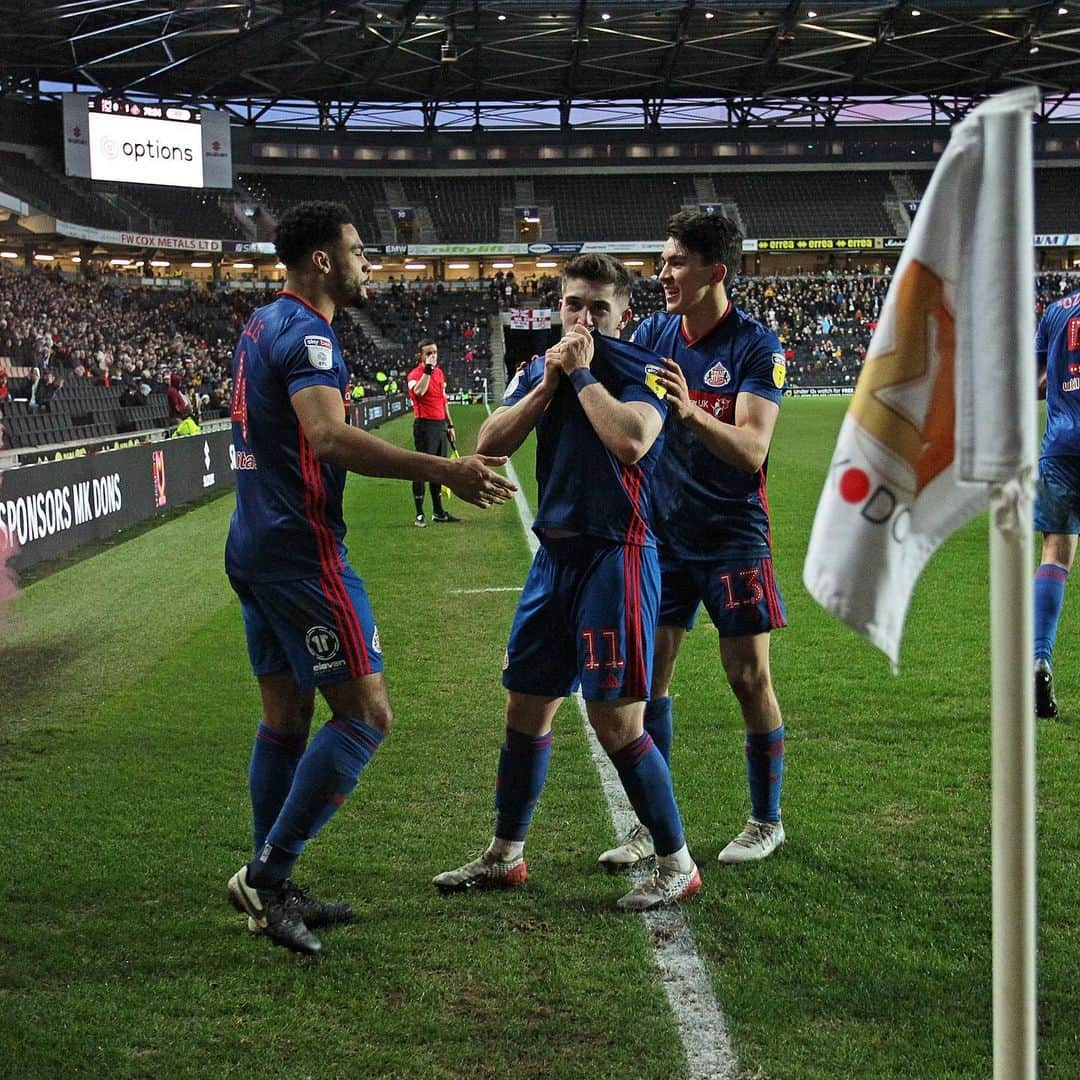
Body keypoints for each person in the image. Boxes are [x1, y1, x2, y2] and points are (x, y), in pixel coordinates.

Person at [224, 201, 516, 955]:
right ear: (321, 260)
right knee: (365, 715)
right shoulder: (309, 335)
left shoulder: (262, 322)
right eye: (357, 251)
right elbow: (326, 437)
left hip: (252, 542)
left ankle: (269, 880)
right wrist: (445, 468)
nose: (367, 264)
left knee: (285, 720)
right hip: (300, 549)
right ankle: (269, 874)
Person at [433, 253, 701, 911]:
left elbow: (633, 441)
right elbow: (490, 442)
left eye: (598, 308)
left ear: (623, 314)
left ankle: (677, 863)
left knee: (615, 719)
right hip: (553, 558)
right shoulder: (536, 369)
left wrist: (580, 373)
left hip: (618, 554)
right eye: (574, 305)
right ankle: (505, 854)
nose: (583, 318)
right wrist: (548, 384)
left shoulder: (646, 372)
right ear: (558, 307)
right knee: (525, 705)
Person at [598, 210, 788, 871]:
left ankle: (767, 820)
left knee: (747, 676)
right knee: (651, 681)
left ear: (716, 272)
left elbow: (753, 449)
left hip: (734, 534)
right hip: (663, 533)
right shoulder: (651, 332)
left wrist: (688, 414)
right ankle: (653, 826)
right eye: (663, 259)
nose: (663, 273)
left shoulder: (756, 348)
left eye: (675, 261)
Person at [1032, 283, 1080, 719]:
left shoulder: (1057, 311)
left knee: (1056, 550)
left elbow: (1034, 384)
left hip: (1062, 445)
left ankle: (1040, 656)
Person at [406, 339, 458, 526]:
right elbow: (419, 392)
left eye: (434, 352)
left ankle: (438, 511)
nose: (433, 356)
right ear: (420, 356)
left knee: (439, 468)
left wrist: (450, 425)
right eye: (428, 353)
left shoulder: (440, 373)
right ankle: (420, 514)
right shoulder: (415, 375)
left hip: (439, 426)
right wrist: (427, 370)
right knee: (422, 468)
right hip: (424, 426)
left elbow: (443, 401)